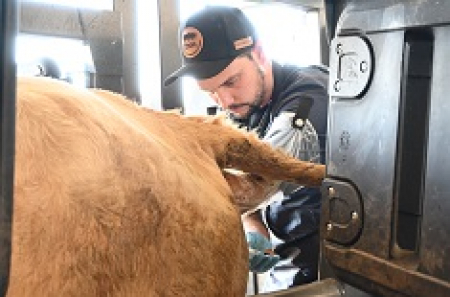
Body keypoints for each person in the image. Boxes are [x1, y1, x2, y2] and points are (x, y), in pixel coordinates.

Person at [164, 5, 328, 293]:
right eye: (211, 91)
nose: (225, 100)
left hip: (328, 275)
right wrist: (255, 227)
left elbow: (255, 185)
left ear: (260, 55)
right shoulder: (248, 106)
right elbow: (253, 199)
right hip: (286, 270)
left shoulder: (306, 103)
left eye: (231, 81)